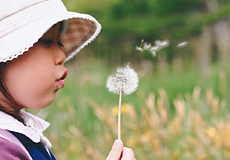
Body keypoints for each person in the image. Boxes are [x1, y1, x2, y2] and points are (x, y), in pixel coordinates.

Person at [0, 0, 136, 159]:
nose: (62, 55)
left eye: (60, 42)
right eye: (47, 41)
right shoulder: (4, 149)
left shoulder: (18, 136)